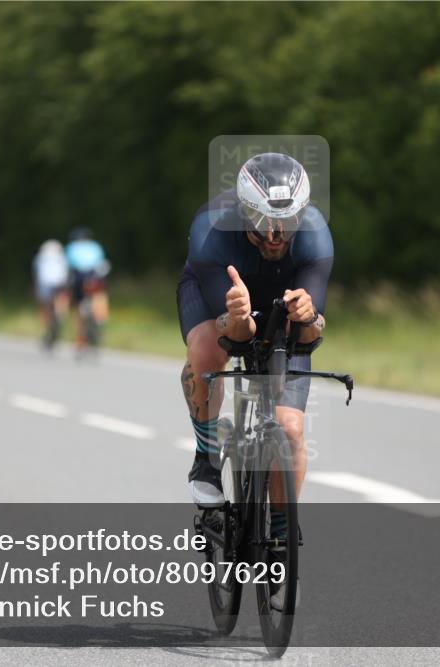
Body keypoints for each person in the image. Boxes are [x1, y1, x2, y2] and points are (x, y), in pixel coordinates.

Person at [177, 153, 332, 528]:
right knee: (207, 347)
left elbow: (307, 339)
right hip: (224, 300)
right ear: (246, 213)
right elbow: (235, 336)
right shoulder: (210, 230)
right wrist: (241, 315)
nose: (277, 235)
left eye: (288, 221)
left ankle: (280, 533)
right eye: (266, 221)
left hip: (281, 305)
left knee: (291, 429)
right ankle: (207, 455)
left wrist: (309, 317)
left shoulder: (315, 237)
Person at [65, 228, 109, 351]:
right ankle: (100, 317)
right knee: (100, 295)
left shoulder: (72, 247)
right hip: (95, 279)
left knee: (79, 308)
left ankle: (80, 337)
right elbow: (101, 263)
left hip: (79, 280)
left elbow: (69, 266)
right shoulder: (95, 246)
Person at [33, 240, 70, 349]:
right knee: (61, 302)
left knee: (45, 307)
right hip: (60, 284)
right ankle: (60, 315)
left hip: (45, 285)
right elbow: (66, 272)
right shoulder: (62, 258)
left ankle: (47, 325)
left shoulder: (39, 258)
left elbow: (36, 274)